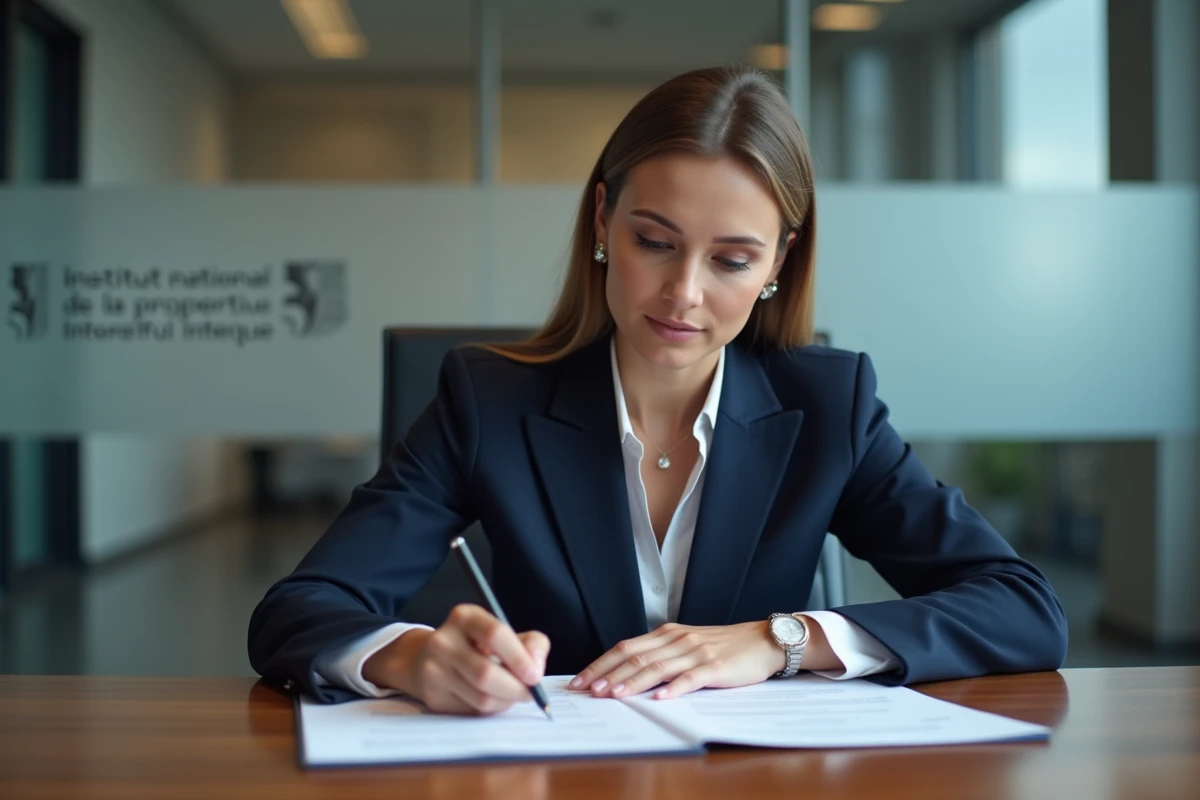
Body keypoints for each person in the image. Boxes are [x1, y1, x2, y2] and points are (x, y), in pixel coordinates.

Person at [248, 66, 1067, 714]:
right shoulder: (487, 401)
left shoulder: (830, 407)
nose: (683, 294)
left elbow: (1022, 607)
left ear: (779, 264)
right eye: (655, 241)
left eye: (732, 260)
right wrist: (413, 658)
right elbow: (300, 610)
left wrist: (780, 639)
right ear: (603, 222)